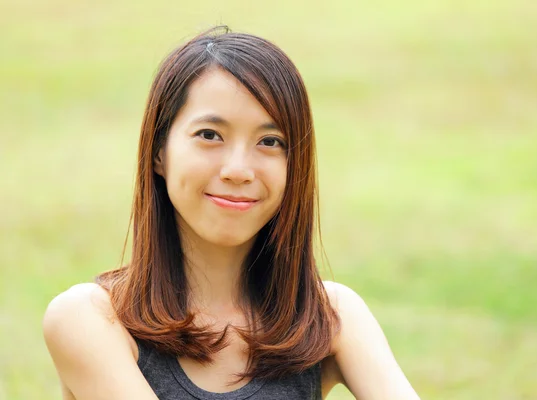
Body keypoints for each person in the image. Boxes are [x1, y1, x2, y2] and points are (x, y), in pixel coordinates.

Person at [42, 26, 420, 400]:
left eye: (270, 142)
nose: (238, 170)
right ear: (159, 152)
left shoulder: (331, 316)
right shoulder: (89, 318)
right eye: (210, 135)